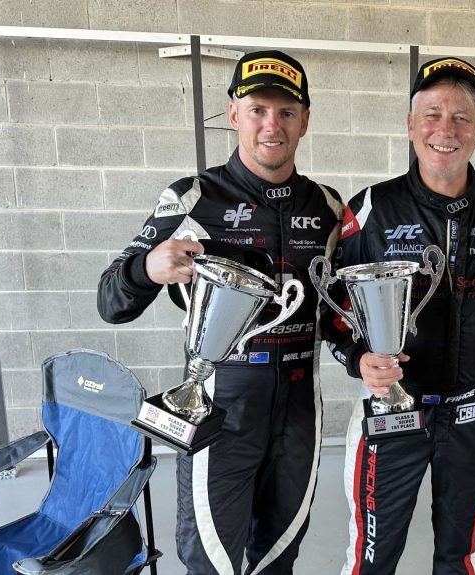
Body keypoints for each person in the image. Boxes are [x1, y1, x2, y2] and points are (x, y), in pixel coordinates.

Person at [98, 50, 343, 575]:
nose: (271, 125)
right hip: (220, 405)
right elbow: (110, 302)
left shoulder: (329, 206)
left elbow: (341, 310)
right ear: (234, 114)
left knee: (280, 555)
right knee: (209, 561)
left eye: (286, 111)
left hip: (301, 404)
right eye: (257, 109)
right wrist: (146, 268)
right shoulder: (192, 197)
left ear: (305, 120)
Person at [323, 57, 475, 575]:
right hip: (392, 412)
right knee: (371, 558)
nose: (446, 130)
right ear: (409, 124)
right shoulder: (371, 210)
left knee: (460, 556)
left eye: (461, 117)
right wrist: (360, 362)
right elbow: (331, 316)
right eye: (432, 114)